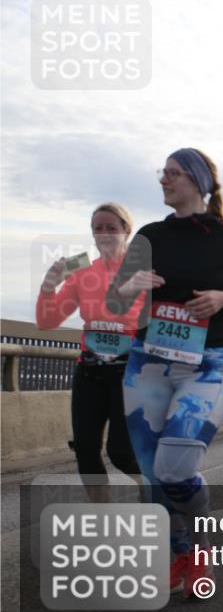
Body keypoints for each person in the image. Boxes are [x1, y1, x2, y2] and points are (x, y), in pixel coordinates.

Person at [108, 147, 223, 595]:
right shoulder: (149, 235)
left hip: (208, 364)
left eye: (173, 173)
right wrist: (131, 286)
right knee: (154, 474)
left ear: (198, 181)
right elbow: (115, 302)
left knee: (175, 466)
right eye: (163, 173)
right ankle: (178, 552)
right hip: (148, 363)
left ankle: (199, 547)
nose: (164, 179)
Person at [36, 202, 144, 499]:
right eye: (98, 228)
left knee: (121, 452)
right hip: (89, 372)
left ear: (127, 231)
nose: (104, 234)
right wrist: (48, 287)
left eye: (112, 227)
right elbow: (47, 321)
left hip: (129, 374)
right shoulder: (82, 270)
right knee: (85, 451)